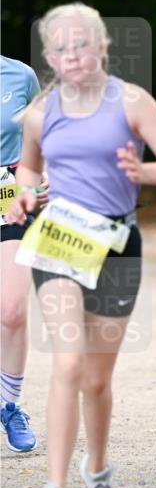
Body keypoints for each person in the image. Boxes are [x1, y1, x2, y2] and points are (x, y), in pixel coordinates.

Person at [6, 3, 156, 488]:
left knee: (94, 379)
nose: (72, 57)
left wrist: (143, 171)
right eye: (61, 49)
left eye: (81, 45)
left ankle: (99, 475)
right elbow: (28, 167)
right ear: (48, 57)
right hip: (59, 239)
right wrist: (24, 194)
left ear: (103, 46)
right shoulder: (41, 110)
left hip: (115, 243)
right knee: (66, 364)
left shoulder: (131, 102)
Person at [1, 55, 43, 451]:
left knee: (12, 311)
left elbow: (39, 140)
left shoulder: (20, 75)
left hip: (8, 202)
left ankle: (9, 405)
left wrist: (39, 181)